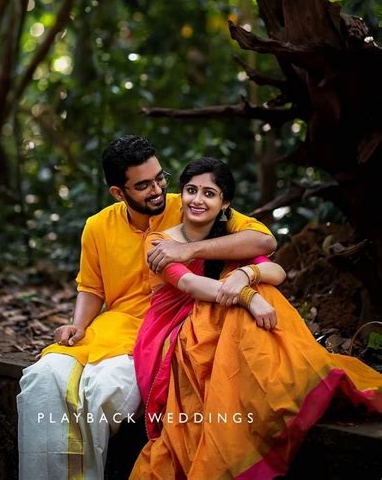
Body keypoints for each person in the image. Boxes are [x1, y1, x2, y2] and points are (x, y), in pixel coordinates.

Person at [17, 136, 276, 480]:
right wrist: (78, 325)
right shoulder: (97, 227)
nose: (156, 190)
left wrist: (190, 251)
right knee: (41, 378)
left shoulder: (187, 204)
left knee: (101, 389)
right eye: (143, 185)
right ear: (118, 192)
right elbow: (91, 287)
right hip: (112, 327)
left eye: (159, 178)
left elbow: (263, 240)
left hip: (167, 329)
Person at [131, 157, 382, 480]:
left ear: (225, 204)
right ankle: (278, 389)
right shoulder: (159, 241)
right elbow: (193, 285)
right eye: (191, 190)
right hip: (174, 333)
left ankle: (276, 386)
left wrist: (247, 274)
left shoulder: (230, 232)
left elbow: (275, 268)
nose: (197, 199)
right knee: (248, 300)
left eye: (209, 193)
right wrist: (248, 295)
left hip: (219, 318)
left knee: (260, 285)